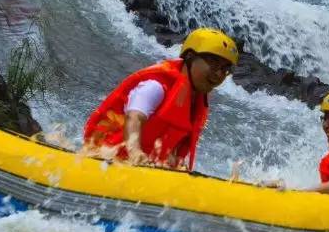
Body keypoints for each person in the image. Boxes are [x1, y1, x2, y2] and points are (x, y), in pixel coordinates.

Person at [84, 28, 239, 170]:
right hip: (106, 162)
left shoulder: (195, 101)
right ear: (190, 57)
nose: (219, 74)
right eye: (213, 63)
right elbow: (134, 117)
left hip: (148, 169)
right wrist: (135, 152)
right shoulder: (155, 86)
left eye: (225, 69)